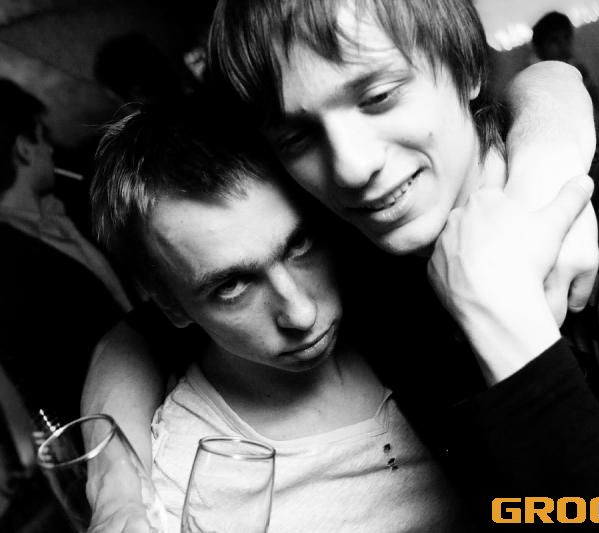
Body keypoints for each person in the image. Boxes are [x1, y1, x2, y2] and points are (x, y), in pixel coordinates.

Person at [84, 0, 599, 529]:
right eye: (299, 134)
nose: (352, 165)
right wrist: (115, 488)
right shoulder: (350, 244)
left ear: (465, 70)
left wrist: (512, 326)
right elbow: (142, 330)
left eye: (378, 96)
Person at [90, 102, 473, 532]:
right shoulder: (183, 493)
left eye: (300, 244)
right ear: (171, 306)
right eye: (232, 286)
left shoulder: (402, 290)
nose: (301, 313)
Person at [0, 79, 131, 423]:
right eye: (43, 137)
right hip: (106, 416)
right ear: (24, 148)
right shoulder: (11, 256)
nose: (50, 150)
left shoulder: (63, 212)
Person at [531, 11, 599, 106]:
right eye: (554, 40)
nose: (563, 46)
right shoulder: (539, 82)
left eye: (566, 37)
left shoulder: (578, 70)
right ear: (539, 50)